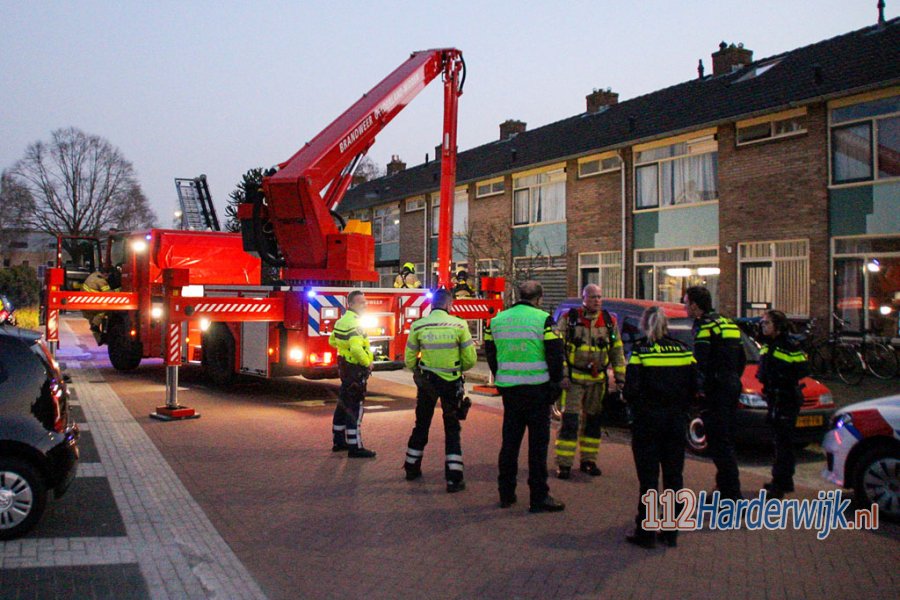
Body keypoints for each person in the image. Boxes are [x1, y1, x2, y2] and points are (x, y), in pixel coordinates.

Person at [485, 280, 566, 513]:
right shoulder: (543, 320)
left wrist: (501, 376)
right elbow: (555, 355)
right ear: (539, 298)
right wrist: (554, 387)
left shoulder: (496, 321)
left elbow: (490, 353)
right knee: (537, 448)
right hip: (537, 391)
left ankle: (506, 493)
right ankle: (538, 497)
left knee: (509, 444)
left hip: (510, 391)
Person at [623, 306, 697, 549]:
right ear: (666, 325)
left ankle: (646, 532)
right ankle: (671, 531)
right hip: (675, 422)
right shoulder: (683, 350)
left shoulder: (640, 351)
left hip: (647, 423)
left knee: (649, 479)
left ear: (644, 325)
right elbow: (695, 386)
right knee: (674, 476)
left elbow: (631, 390)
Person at [403, 289, 477, 493]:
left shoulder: (418, 325)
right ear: (448, 304)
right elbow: (470, 359)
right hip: (451, 382)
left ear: (432, 304)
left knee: (421, 424)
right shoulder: (459, 325)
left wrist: (418, 371)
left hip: (427, 382)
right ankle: (454, 478)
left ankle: (411, 467)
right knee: (452, 428)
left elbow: (409, 359)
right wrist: (458, 368)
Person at [555, 284, 626, 479]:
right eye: (593, 297)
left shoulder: (609, 321)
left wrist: (620, 379)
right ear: (584, 298)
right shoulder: (569, 319)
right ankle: (564, 464)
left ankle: (588, 461)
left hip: (597, 381)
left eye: (599, 297)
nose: (597, 300)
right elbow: (559, 350)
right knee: (570, 422)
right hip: (574, 380)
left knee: (593, 422)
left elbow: (617, 351)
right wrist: (563, 375)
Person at [683, 286, 745, 500]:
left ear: (694, 305)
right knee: (726, 439)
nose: (684, 307)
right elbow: (741, 358)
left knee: (719, 443)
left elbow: (701, 364)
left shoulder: (705, 328)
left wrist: (698, 390)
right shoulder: (729, 324)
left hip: (716, 391)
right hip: (731, 387)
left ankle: (732, 495)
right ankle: (724, 487)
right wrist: (732, 379)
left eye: (686, 303)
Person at [757, 310, 809, 499]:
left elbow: (802, 369)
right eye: (762, 323)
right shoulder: (767, 345)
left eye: (767, 323)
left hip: (786, 399)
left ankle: (779, 485)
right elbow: (763, 371)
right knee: (779, 443)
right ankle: (781, 481)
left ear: (777, 327)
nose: (763, 326)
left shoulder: (789, 345)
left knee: (784, 444)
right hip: (774, 398)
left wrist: (783, 378)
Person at [328, 290, 376, 458]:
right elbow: (356, 348)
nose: (365, 305)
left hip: (345, 368)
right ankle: (355, 447)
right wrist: (367, 362)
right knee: (355, 407)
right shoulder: (356, 323)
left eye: (365, 301)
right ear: (352, 304)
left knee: (342, 404)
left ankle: (339, 441)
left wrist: (344, 349)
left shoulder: (341, 321)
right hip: (356, 369)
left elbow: (332, 341)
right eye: (362, 302)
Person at [82, 268, 112, 344]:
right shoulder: (101, 281)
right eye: (108, 276)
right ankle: (95, 324)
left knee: (93, 324)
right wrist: (119, 290)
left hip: (84, 304)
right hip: (93, 304)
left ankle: (99, 340)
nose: (107, 278)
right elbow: (109, 294)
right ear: (105, 274)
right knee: (105, 309)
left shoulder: (92, 276)